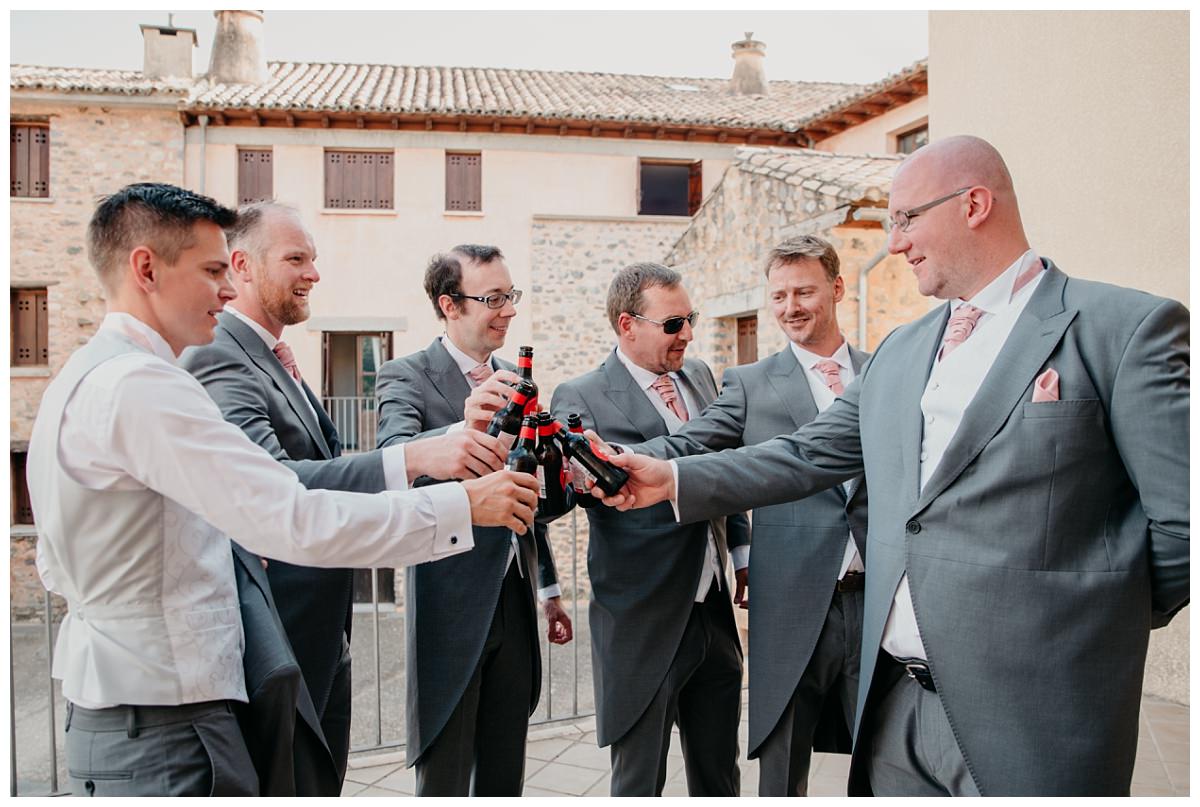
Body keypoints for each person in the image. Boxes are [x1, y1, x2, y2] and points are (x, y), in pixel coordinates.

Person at [595, 136, 1190, 796]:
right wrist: (670, 478)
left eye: (906, 218)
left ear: (974, 204)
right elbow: (807, 453)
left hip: (1037, 712)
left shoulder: (1125, 328)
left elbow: (1183, 521)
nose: (895, 242)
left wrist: (1090, 616)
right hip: (897, 711)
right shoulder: (903, 350)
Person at [26, 183, 538, 796]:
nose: (224, 289)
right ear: (146, 269)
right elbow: (290, 515)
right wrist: (462, 504)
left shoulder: (85, 375)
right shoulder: (144, 387)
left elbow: (54, 565)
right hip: (164, 719)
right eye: (213, 270)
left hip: (133, 705)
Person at [179, 202, 510, 785]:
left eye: (314, 259)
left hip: (326, 628)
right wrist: (414, 457)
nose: (314, 273)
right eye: (297, 259)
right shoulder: (218, 353)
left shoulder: (278, 359)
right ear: (243, 266)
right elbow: (273, 484)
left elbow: (326, 469)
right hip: (283, 632)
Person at [627, 236, 869, 795]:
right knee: (781, 765)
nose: (791, 307)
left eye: (804, 291)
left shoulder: (886, 372)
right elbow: (691, 445)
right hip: (790, 598)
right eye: (779, 295)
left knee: (883, 754)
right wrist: (626, 462)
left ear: (836, 289)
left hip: (879, 600)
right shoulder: (748, 383)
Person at [374, 245, 572, 796]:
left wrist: (550, 587)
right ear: (449, 305)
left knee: (505, 770)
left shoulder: (518, 376)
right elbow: (395, 460)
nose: (508, 310)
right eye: (493, 299)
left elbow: (529, 494)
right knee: (445, 775)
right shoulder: (405, 375)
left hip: (515, 595)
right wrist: (459, 429)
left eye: (510, 296)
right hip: (449, 599)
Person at [550, 263, 749, 796]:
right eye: (673, 324)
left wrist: (742, 549)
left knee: (720, 776)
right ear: (627, 324)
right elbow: (570, 491)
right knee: (639, 781)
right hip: (641, 618)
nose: (687, 333)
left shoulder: (702, 375)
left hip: (713, 609)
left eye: (691, 319)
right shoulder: (581, 396)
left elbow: (729, 465)